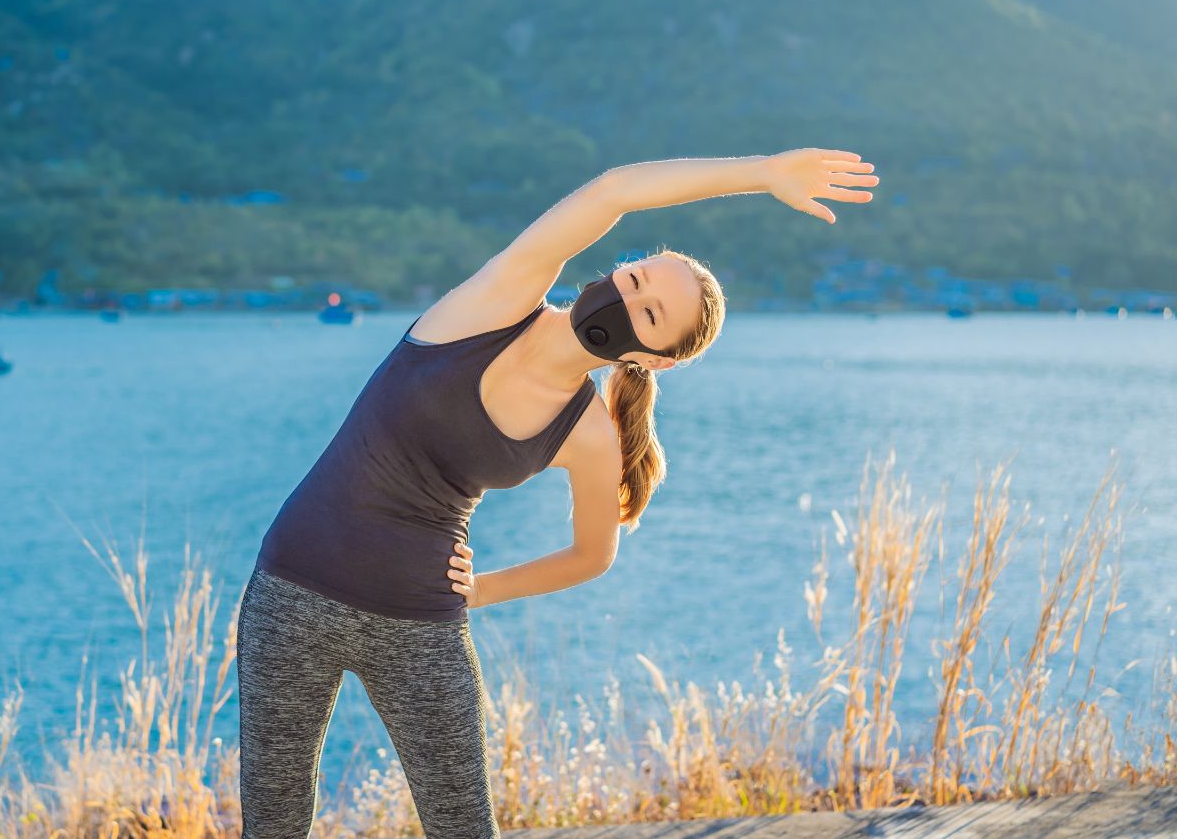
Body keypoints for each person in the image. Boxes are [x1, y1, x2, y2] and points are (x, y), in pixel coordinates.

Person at [235, 148, 878, 837]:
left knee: (463, 827)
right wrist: (763, 172)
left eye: (650, 311)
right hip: (293, 592)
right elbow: (615, 190)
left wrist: (482, 588)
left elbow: (593, 555)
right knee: (274, 822)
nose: (625, 299)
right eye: (632, 279)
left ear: (652, 358)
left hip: (420, 623)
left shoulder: (590, 434)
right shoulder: (500, 300)